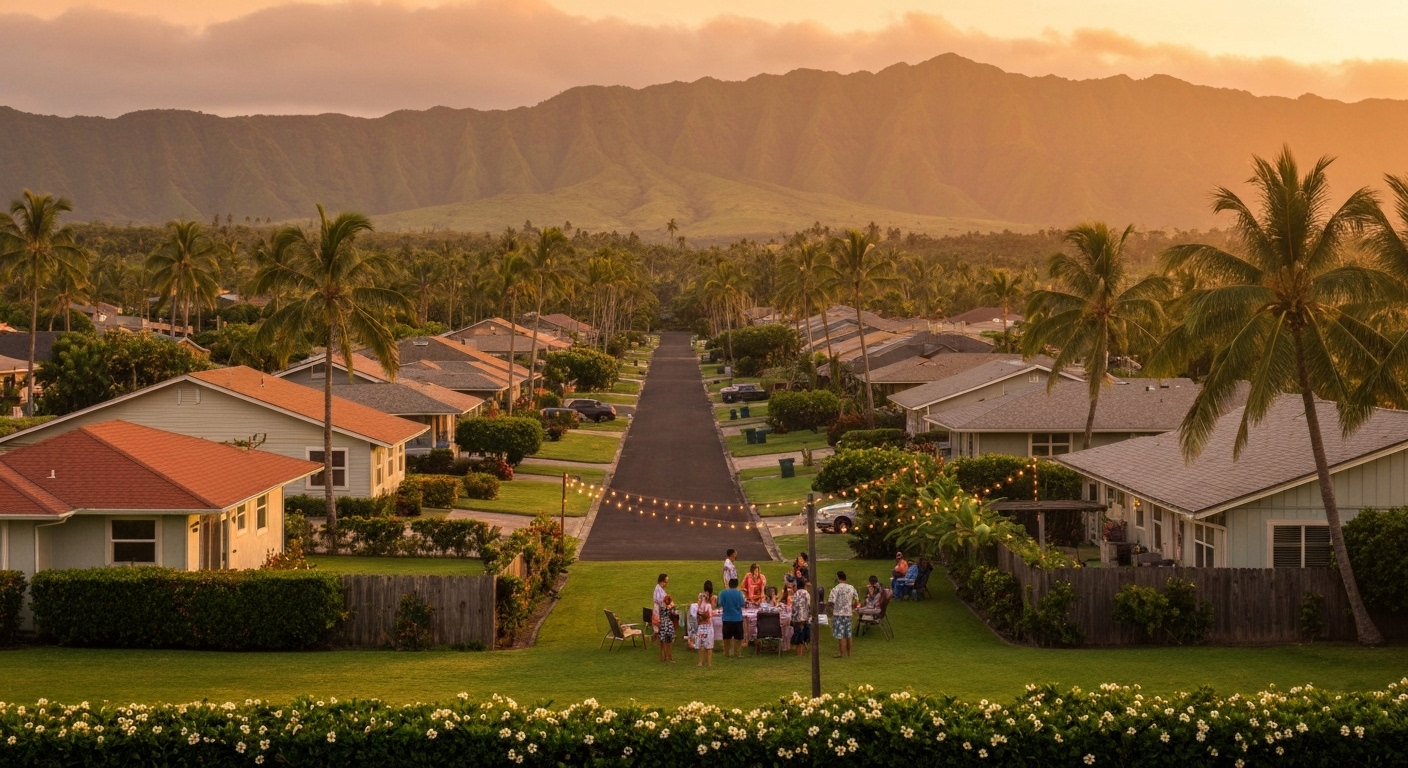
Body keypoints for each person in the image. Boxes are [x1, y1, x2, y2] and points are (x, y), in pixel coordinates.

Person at [829, 571, 859, 658]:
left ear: (838, 578)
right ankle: (849, 654)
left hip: (838, 614)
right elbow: (856, 600)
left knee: (840, 635)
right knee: (848, 635)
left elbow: (831, 602)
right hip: (848, 614)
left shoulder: (836, 589)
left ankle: (841, 654)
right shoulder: (851, 588)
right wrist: (852, 606)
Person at [718, 577, 746, 658]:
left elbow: (720, 603)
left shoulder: (723, 593)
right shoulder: (739, 594)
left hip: (727, 618)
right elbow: (742, 604)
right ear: (736, 585)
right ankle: (737, 653)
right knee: (738, 638)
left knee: (726, 637)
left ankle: (726, 653)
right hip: (737, 618)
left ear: (729, 584)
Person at [790, 577, 811, 656]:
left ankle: (797, 649)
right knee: (803, 632)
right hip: (803, 617)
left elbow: (793, 606)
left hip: (795, 617)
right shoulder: (806, 593)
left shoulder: (795, 594)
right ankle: (800, 651)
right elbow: (808, 605)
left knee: (798, 631)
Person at [694, 592, 714, 667]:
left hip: (706, 627)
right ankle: (704, 662)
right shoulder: (697, 606)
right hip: (703, 627)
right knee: (703, 646)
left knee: (706, 646)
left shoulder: (708, 606)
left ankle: (705, 663)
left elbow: (707, 616)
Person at [657, 595, 676, 662]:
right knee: (668, 642)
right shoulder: (667, 608)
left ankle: (664, 657)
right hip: (668, 626)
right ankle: (668, 657)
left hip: (663, 625)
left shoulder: (661, 607)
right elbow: (672, 606)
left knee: (663, 642)